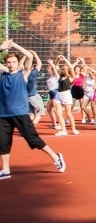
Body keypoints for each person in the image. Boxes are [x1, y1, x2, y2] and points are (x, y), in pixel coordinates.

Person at [0, 39, 66, 179]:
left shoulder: (22, 75)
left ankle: (56, 157)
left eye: (13, 62)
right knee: (3, 142)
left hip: (20, 113)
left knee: (32, 139)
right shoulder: (3, 73)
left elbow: (29, 57)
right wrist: (1, 47)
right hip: (3, 114)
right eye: (9, 62)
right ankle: (5, 170)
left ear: (18, 63)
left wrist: (14, 45)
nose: (11, 64)